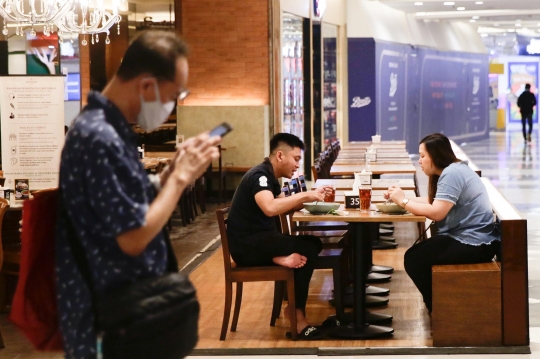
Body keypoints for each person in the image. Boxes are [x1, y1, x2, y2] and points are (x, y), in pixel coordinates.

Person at [55, 31, 221, 359]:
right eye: (174, 95)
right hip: (111, 320)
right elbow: (132, 236)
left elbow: (127, 204)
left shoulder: (109, 129)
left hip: (128, 313)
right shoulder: (98, 137)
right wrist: (179, 181)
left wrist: (170, 173)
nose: (172, 105)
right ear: (147, 86)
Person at [226, 133, 331, 340]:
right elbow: (270, 208)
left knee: (313, 242)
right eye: (296, 159)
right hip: (246, 247)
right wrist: (305, 195)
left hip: (259, 242)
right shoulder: (260, 176)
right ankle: (296, 314)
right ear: (280, 156)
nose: (297, 165)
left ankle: (279, 260)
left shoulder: (270, 176)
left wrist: (316, 195)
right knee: (308, 248)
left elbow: (285, 204)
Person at [385, 133, 500, 314]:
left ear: (436, 155)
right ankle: (438, 307)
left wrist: (403, 202)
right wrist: (402, 198)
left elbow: (437, 213)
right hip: (472, 238)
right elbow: (435, 202)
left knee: (414, 259)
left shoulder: (452, 173)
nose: (420, 161)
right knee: (415, 255)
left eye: (423, 156)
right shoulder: (453, 169)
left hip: (475, 243)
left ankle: (441, 312)